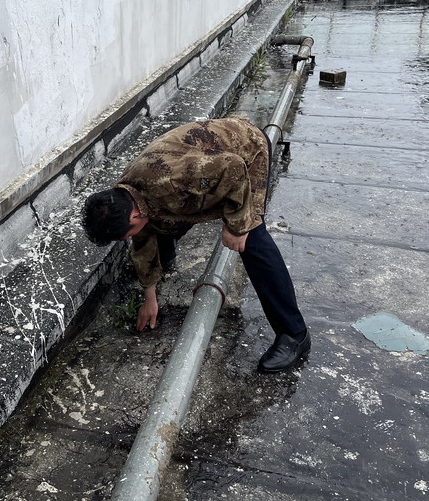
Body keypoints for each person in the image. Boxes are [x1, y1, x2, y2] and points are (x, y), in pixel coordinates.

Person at [81, 117, 309, 373]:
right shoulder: (125, 196)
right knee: (157, 226)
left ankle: (294, 335)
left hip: (247, 152)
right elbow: (142, 242)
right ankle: (165, 263)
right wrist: (149, 297)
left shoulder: (171, 180)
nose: (128, 238)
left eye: (126, 234)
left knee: (251, 241)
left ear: (133, 216)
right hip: (208, 166)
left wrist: (236, 226)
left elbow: (234, 167)